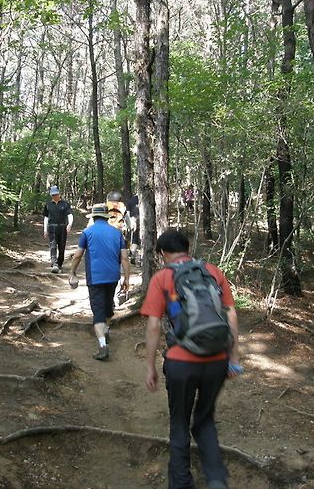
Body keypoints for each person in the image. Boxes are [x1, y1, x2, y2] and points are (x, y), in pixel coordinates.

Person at [141, 229, 241, 489]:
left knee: (179, 423)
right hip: (217, 360)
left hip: (181, 362)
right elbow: (231, 315)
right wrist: (233, 358)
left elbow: (154, 326)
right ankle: (216, 479)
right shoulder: (212, 272)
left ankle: (181, 484)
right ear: (187, 249)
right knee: (205, 419)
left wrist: (150, 366)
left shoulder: (162, 278)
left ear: (163, 253)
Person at [70, 203, 130, 360]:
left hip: (95, 277)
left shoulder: (87, 232)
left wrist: (72, 272)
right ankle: (106, 330)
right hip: (113, 276)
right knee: (108, 305)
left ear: (94, 217)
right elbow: (124, 257)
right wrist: (127, 278)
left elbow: (77, 255)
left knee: (98, 312)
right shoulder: (117, 233)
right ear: (106, 217)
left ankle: (103, 346)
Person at [43, 185, 73, 273]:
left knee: (61, 246)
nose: (54, 196)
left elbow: (70, 215)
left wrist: (69, 224)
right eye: (53, 195)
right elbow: (46, 218)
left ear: (59, 194)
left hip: (62, 227)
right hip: (52, 227)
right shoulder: (48, 205)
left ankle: (59, 264)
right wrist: (45, 229)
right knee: (53, 246)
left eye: (56, 194)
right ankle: (54, 264)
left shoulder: (65, 204)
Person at [125, 193, 140, 264]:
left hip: (134, 221)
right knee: (138, 239)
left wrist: (130, 223)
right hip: (140, 220)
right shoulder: (146, 199)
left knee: (134, 239)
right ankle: (137, 257)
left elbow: (127, 214)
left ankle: (133, 255)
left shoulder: (130, 200)